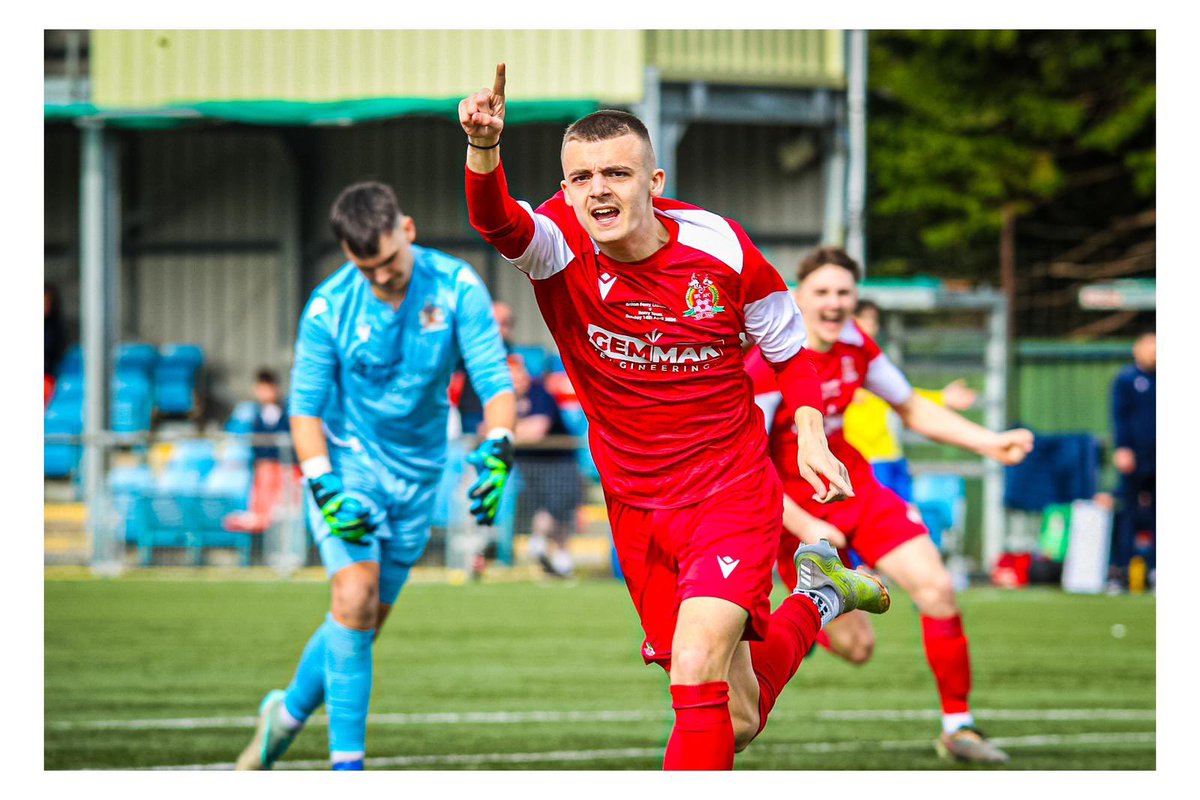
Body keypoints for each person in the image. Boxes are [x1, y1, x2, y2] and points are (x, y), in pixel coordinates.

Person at [460, 64, 889, 770]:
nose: (598, 188)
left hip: (730, 491)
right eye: (581, 177)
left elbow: (790, 352)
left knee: (696, 667)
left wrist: (811, 432)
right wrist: (484, 148)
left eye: (618, 173)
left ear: (654, 184)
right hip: (636, 504)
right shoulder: (559, 241)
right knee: (738, 717)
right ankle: (818, 601)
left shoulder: (721, 248)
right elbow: (495, 221)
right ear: (566, 190)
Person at [235, 181, 516, 770]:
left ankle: (281, 719)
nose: (383, 277)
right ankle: (348, 770)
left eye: (390, 260)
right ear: (348, 258)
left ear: (407, 230)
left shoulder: (458, 285)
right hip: (348, 466)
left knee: (360, 622)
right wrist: (324, 488)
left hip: (419, 477)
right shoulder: (328, 308)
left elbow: (493, 382)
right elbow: (304, 411)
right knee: (354, 595)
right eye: (368, 268)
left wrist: (498, 447)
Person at [746, 245, 1034, 765]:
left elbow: (912, 406)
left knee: (937, 587)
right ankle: (812, 622)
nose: (834, 304)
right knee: (859, 650)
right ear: (796, 298)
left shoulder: (855, 342)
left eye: (844, 293)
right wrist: (806, 521)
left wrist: (988, 442)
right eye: (823, 293)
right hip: (794, 512)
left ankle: (958, 726)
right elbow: (747, 462)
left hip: (857, 492)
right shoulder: (767, 363)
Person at [844, 299, 977, 503]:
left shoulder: (872, 360)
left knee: (907, 517)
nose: (874, 326)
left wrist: (942, 398)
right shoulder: (841, 362)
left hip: (890, 457)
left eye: (875, 321)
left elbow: (903, 396)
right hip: (864, 462)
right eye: (868, 320)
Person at [509, 352, 582, 578]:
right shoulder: (504, 398)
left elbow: (537, 429)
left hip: (559, 464)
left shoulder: (540, 393)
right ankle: (550, 553)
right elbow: (484, 428)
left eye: (520, 373)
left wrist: (508, 429)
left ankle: (555, 555)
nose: (517, 379)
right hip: (531, 468)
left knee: (558, 510)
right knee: (545, 510)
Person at [1109, 329, 1155, 587]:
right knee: (1128, 511)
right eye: (1150, 345)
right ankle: (1123, 568)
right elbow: (1120, 416)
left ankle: (1156, 568)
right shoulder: (1127, 379)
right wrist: (1123, 447)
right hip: (1136, 458)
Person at [456, 301, 515, 433]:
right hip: (471, 413)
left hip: (503, 411)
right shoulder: (465, 352)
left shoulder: (516, 358)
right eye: (494, 323)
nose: (499, 329)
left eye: (505, 324)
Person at [246, 369, 293, 465]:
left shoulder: (289, 412)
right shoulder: (248, 413)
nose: (265, 393)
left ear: (276, 388)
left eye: (268, 388)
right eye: (261, 388)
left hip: (286, 464)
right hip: (260, 465)